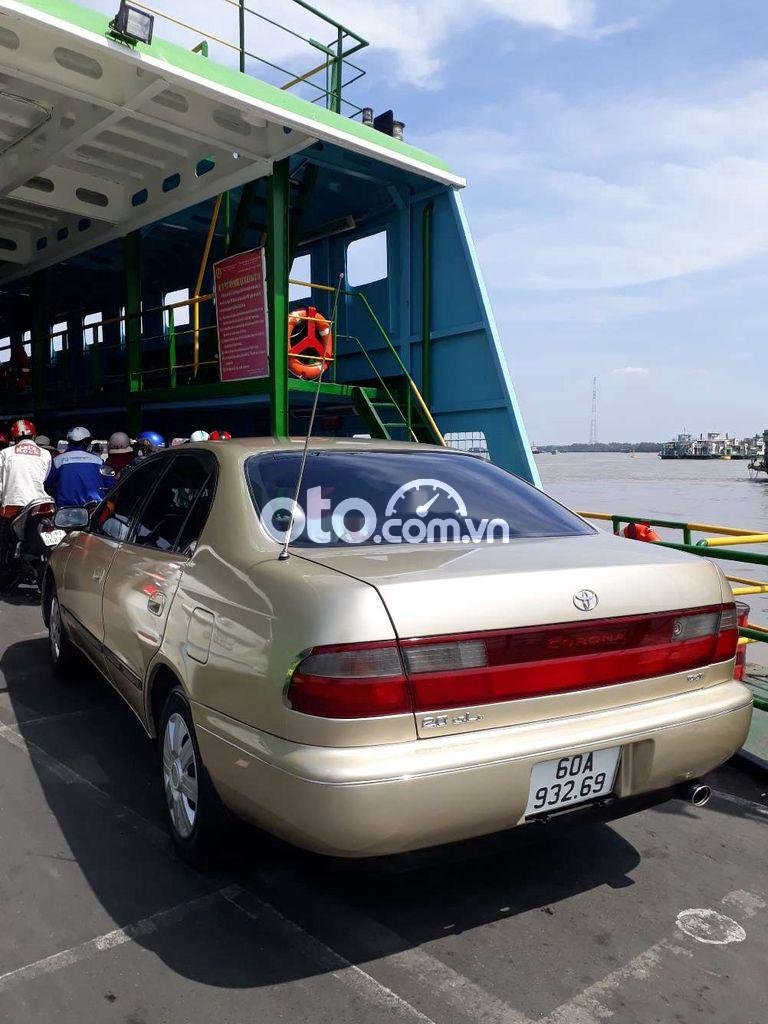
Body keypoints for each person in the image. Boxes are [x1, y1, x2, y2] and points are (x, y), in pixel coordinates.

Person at [0, 420, 52, 565]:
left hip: (12, 507)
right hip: (39, 505)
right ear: (34, 436)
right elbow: (44, 478)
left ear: (14, 438)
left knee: (3, 543)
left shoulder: (5, 453)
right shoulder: (46, 454)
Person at [46, 426, 110, 508]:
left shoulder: (58, 460)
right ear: (85, 442)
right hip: (93, 510)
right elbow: (110, 484)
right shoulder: (98, 461)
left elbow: (48, 485)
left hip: (65, 511)